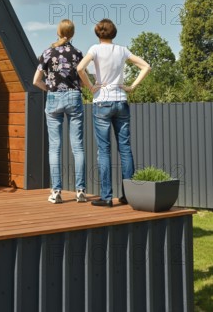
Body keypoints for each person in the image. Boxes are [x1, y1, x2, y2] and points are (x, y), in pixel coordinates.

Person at [77, 18, 151, 207]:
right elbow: (146, 66)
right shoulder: (122, 50)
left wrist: (91, 87)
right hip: (121, 101)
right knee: (125, 149)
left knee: (104, 151)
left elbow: (79, 68)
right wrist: (131, 87)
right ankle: (129, 195)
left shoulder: (94, 49)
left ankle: (107, 197)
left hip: (102, 102)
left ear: (98, 33)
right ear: (114, 33)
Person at [33, 19, 86, 204]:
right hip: (73, 97)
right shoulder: (78, 53)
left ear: (58, 32)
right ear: (72, 34)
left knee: (54, 148)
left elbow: (36, 81)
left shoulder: (47, 52)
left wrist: (50, 89)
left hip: (54, 97)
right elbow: (83, 74)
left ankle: (56, 192)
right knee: (77, 146)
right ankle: (80, 191)